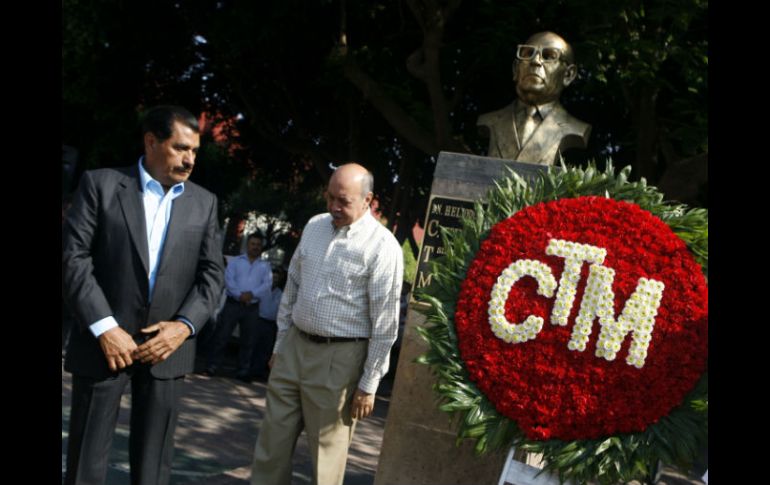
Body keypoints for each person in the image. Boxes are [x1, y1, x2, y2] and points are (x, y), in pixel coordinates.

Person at [62, 105, 225, 485]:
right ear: (151, 142)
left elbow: (213, 274)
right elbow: (73, 258)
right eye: (181, 148)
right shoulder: (101, 185)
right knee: (86, 462)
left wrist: (183, 327)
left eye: (194, 151)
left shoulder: (204, 202)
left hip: (167, 350)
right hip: (104, 345)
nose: (189, 159)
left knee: (154, 468)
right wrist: (105, 327)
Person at [250, 163, 404, 485]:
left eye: (343, 201)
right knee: (271, 446)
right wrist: (280, 345)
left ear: (368, 200)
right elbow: (292, 286)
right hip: (294, 347)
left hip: (341, 360)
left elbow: (385, 324)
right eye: (330, 197)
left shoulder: (382, 246)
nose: (334, 206)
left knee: (326, 459)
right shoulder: (314, 226)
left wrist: (369, 384)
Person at [477, 31, 591, 165]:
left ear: (568, 75)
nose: (535, 61)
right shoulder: (491, 120)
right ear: (515, 69)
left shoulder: (574, 127)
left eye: (549, 56)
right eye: (528, 54)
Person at [204, 233, 272, 381]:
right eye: (253, 244)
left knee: (248, 340)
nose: (255, 247)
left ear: (261, 247)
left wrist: (251, 294)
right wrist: (240, 295)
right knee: (222, 336)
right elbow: (229, 280)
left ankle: (243, 371)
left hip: (252, 308)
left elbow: (266, 285)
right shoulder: (235, 261)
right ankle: (212, 366)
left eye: (258, 245)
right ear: (247, 245)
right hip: (233, 304)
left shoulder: (265, 266)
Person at [248, 267, 286, 381]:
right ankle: (246, 370)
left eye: (277, 278)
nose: (275, 280)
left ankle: (257, 371)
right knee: (251, 345)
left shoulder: (280, 293)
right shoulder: (263, 289)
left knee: (265, 349)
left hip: (271, 324)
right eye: (273, 277)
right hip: (258, 320)